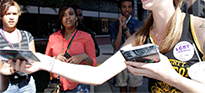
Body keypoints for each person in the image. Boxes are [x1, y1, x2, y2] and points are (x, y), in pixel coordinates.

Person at [4, 0, 205, 92]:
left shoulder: (199, 28)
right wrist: (45, 62)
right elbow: (98, 76)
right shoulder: (138, 38)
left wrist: (170, 77)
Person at [45, 4, 97, 92]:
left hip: (80, 84)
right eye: (64, 15)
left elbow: (94, 63)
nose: (67, 17)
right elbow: (45, 60)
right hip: (57, 85)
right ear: (61, 19)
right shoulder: (53, 37)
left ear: (76, 18)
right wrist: (55, 59)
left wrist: (84, 57)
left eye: (71, 14)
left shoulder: (86, 37)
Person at [0, 0, 36, 93]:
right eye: (8, 14)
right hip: (6, 86)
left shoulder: (27, 36)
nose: (11, 17)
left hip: (27, 85)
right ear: (1, 16)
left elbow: (34, 61)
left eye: (14, 14)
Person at [109, 0, 143, 92]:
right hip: (120, 59)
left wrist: (125, 27)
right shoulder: (113, 25)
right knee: (122, 87)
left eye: (129, 7)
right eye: (124, 7)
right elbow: (116, 46)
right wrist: (120, 26)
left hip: (135, 59)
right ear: (120, 9)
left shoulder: (138, 24)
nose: (127, 9)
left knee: (133, 87)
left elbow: (135, 44)